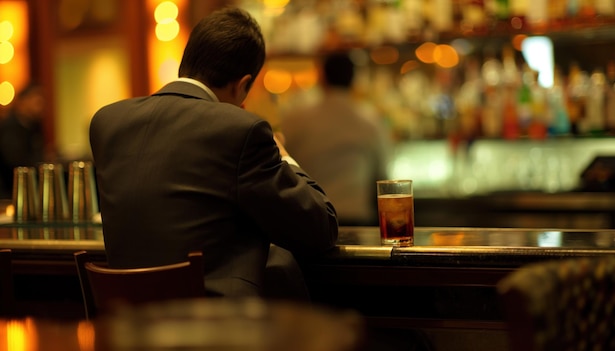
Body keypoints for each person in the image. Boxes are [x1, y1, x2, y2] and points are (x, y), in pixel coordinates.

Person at [89, 7, 338, 300]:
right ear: (243, 84)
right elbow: (318, 228)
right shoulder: (240, 129)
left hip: (127, 328)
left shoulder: (106, 123)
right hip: (218, 329)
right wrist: (283, 154)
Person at [281, 52, 391, 226]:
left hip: (311, 216)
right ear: (354, 80)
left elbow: (284, 169)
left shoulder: (296, 119)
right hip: (357, 216)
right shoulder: (370, 120)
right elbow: (383, 175)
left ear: (322, 78)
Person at [0, 84, 46, 198]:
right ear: (22, 102)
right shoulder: (9, 127)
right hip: (10, 192)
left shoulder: (34, 126)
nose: (40, 106)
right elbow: (14, 160)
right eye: (36, 101)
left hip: (29, 189)